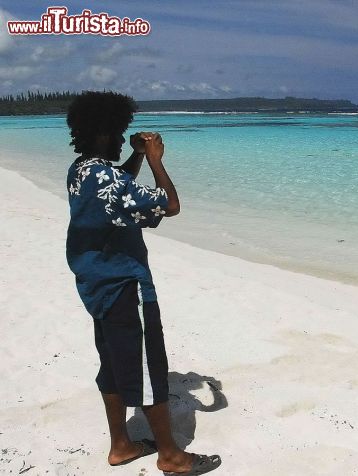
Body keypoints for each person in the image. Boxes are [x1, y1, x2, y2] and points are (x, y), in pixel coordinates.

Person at [65, 91, 221, 475]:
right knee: (148, 369)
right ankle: (171, 455)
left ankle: (121, 444)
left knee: (114, 366)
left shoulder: (81, 170)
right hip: (125, 284)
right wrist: (154, 160)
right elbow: (170, 204)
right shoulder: (109, 178)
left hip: (96, 285)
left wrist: (134, 157)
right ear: (104, 133)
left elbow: (117, 189)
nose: (123, 141)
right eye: (119, 135)